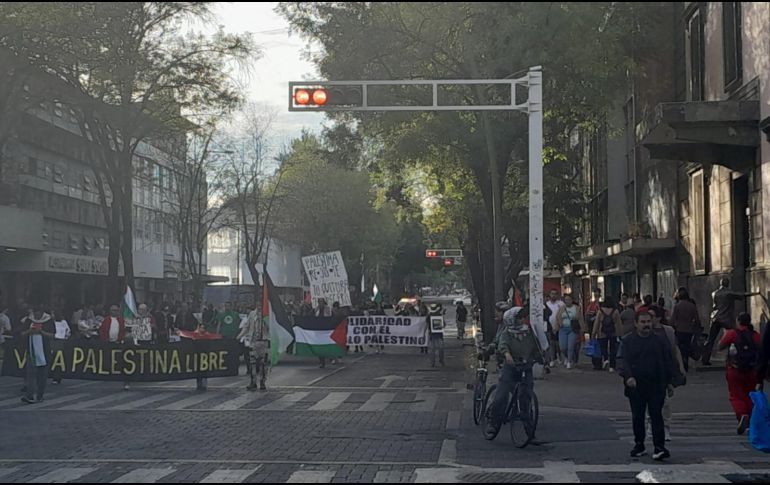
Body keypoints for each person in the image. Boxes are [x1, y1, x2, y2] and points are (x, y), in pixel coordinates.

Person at [619, 310, 676, 461]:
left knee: (656, 415)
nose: (646, 325)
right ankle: (639, 444)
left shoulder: (660, 340)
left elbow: (668, 361)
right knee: (638, 416)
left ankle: (659, 446)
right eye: (643, 322)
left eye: (648, 322)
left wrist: (670, 382)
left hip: (656, 384)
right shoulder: (628, 341)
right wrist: (628, 376)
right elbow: (623, 361)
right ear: (636, 324)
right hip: (636, 385)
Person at [485, 306, 543, 436]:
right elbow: (502, 345)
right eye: (519, 318)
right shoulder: (507, 333)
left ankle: (529, 429)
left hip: (525, 367)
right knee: (501, 396)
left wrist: (541, 358)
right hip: (510, 368)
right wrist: (507, 355)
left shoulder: (529, 332)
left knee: (526, 396)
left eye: (523, 317)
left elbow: (536, 347)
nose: (522, 320)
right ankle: (493, 423)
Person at [718, 312, 761, 435]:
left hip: (735, 369)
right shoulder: (755, 335)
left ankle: (742, 414)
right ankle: (750, 418)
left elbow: (720, 346)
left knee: (736, 395)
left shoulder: (732, 334)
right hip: (752, 370)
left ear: (738, 321)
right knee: (750, 394)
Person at [650, 305, 686, 442]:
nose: (649, 320)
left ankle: (666, 427)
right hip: (648, 370)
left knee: (665, 401)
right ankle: (650, 424)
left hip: (664, 370)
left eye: (652, 317)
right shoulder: (645, 331)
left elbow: (675, 349)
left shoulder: (668, 331)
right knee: (649, 401)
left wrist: (680, 366)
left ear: (658, 318)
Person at [703, 278, 759, 366]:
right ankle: (733, 357)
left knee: (710, 339)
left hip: (715, 317)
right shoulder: (729, 293)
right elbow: (742, 295)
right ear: (727, 284)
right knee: (735, 337)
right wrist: (755, 293)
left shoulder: (714, 293)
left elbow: (715, 306)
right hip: (726, 318)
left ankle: (705, 359)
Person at [20, 304, 55, 404]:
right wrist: (29, 331)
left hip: (44, 352)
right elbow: (21, 334)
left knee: (42, 376)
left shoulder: (48, 320)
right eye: (35, 314)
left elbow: (52, 335)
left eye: (38, 314)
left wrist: (41, 332)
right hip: (31, 351)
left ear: (42, 312)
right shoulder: (29, 320)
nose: (36, 316)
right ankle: (29, 395)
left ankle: (40, 395)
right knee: (30, 374)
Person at [238, 306, 270, 391]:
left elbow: (271, 327)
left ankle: (262, 381)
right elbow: (247, 326)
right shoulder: (252, 314)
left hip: (264, 341)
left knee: (263, 363)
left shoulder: (267, 313)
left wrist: (264, 319)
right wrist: (239, 336)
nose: (259, 306)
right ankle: (253, 381)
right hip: (253, 341)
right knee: (253, 363)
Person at [671, 287, 701, 373]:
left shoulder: (677, 306)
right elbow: (697, 319)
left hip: (679, 329)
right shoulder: (692, 306)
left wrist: (672, 326)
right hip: (689, 330)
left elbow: (673, 319)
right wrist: (697, 327)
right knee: (687, 346)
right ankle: (686, 362)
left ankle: (681, 364)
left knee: (679, 347)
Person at [592, 297, 622, 372]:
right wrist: (620, 334)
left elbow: (597, 323)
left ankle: (605, 359)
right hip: (613, 332)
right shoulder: (616, 311)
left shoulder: (600, 311)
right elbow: (619, 324)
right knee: (613, 349)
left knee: (603, 347)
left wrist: (594, 333)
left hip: (602, 332)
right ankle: (612, 366)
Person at [554, 294, 584, 369]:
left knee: (570, 346)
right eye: (566, 300)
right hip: (563, 329)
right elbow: (557, 318)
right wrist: (556, 327)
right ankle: (567, 356)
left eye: (569, 300)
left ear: (572, 300)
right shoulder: (561, 308)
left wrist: (582, 329)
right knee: (563, 347)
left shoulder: (576, 308)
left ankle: (569, 361)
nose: (567, 301)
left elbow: (580, 319)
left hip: (572, 329)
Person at [545, 289, 565, 368]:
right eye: (552, 294)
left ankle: (560, 356)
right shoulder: (547, 304)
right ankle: (552, 359)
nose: (553, 295)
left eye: (555, 294)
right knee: (551, 344)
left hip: (559, 326)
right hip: (549, 327)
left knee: (559, 344)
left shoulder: (561, 304)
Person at [51, 309, 71, 385]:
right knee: (53, 360)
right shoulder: (52, 323)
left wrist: (66, 338)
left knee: (58, 361)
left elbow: (68, 331)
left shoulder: (64, 322)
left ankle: (57, 377)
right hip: (53, 341)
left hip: (61, 342)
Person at [428, 303, 446, 367]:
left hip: (438, 335)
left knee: (439, 349)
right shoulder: (429, 316)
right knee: (434, 350)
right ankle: (434, 362)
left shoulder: (440, 316)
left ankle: (439, 361)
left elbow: (444, 324)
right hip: (433, 335)